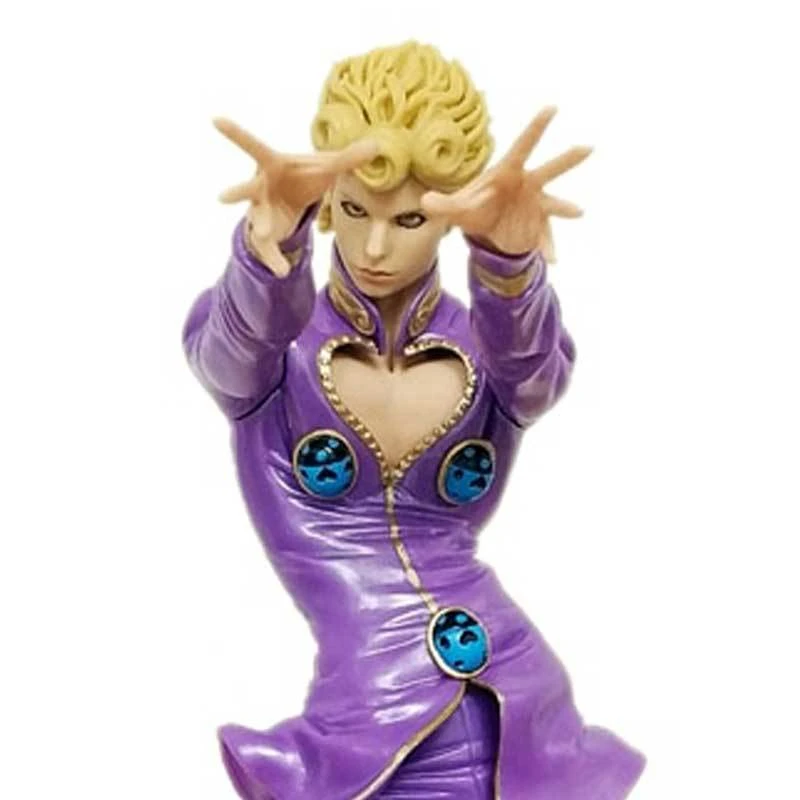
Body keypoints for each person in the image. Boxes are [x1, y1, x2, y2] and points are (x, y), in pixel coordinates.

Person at [182, 40, 645, 800]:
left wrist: (510, 268)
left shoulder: (485, 347)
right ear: (326, 203)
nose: (374, 246)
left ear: (451, 216)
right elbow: (227, 351)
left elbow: (537, 378)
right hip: (368, 719)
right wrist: (269, 250)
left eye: (408, 218)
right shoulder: (277, 355)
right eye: (353, 210)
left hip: (515, 702)